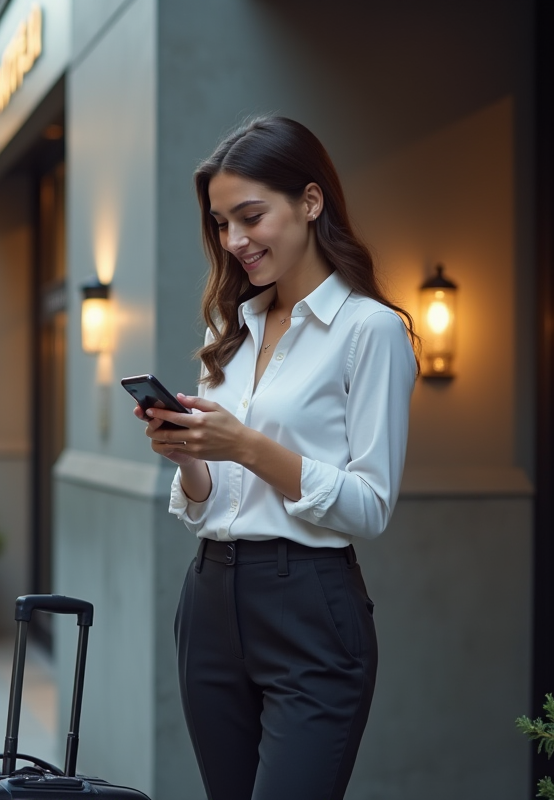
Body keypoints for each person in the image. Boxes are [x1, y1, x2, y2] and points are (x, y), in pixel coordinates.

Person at [133, 116, 418, 800]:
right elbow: (212, 498)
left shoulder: (370, 331)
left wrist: (251, 448)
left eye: (250, 217)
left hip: (310, 609)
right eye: (221, 223)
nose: (234, 242)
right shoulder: (231, 327)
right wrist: (190, 455)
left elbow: (371, 506)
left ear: (311, 203)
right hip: (208, 601)